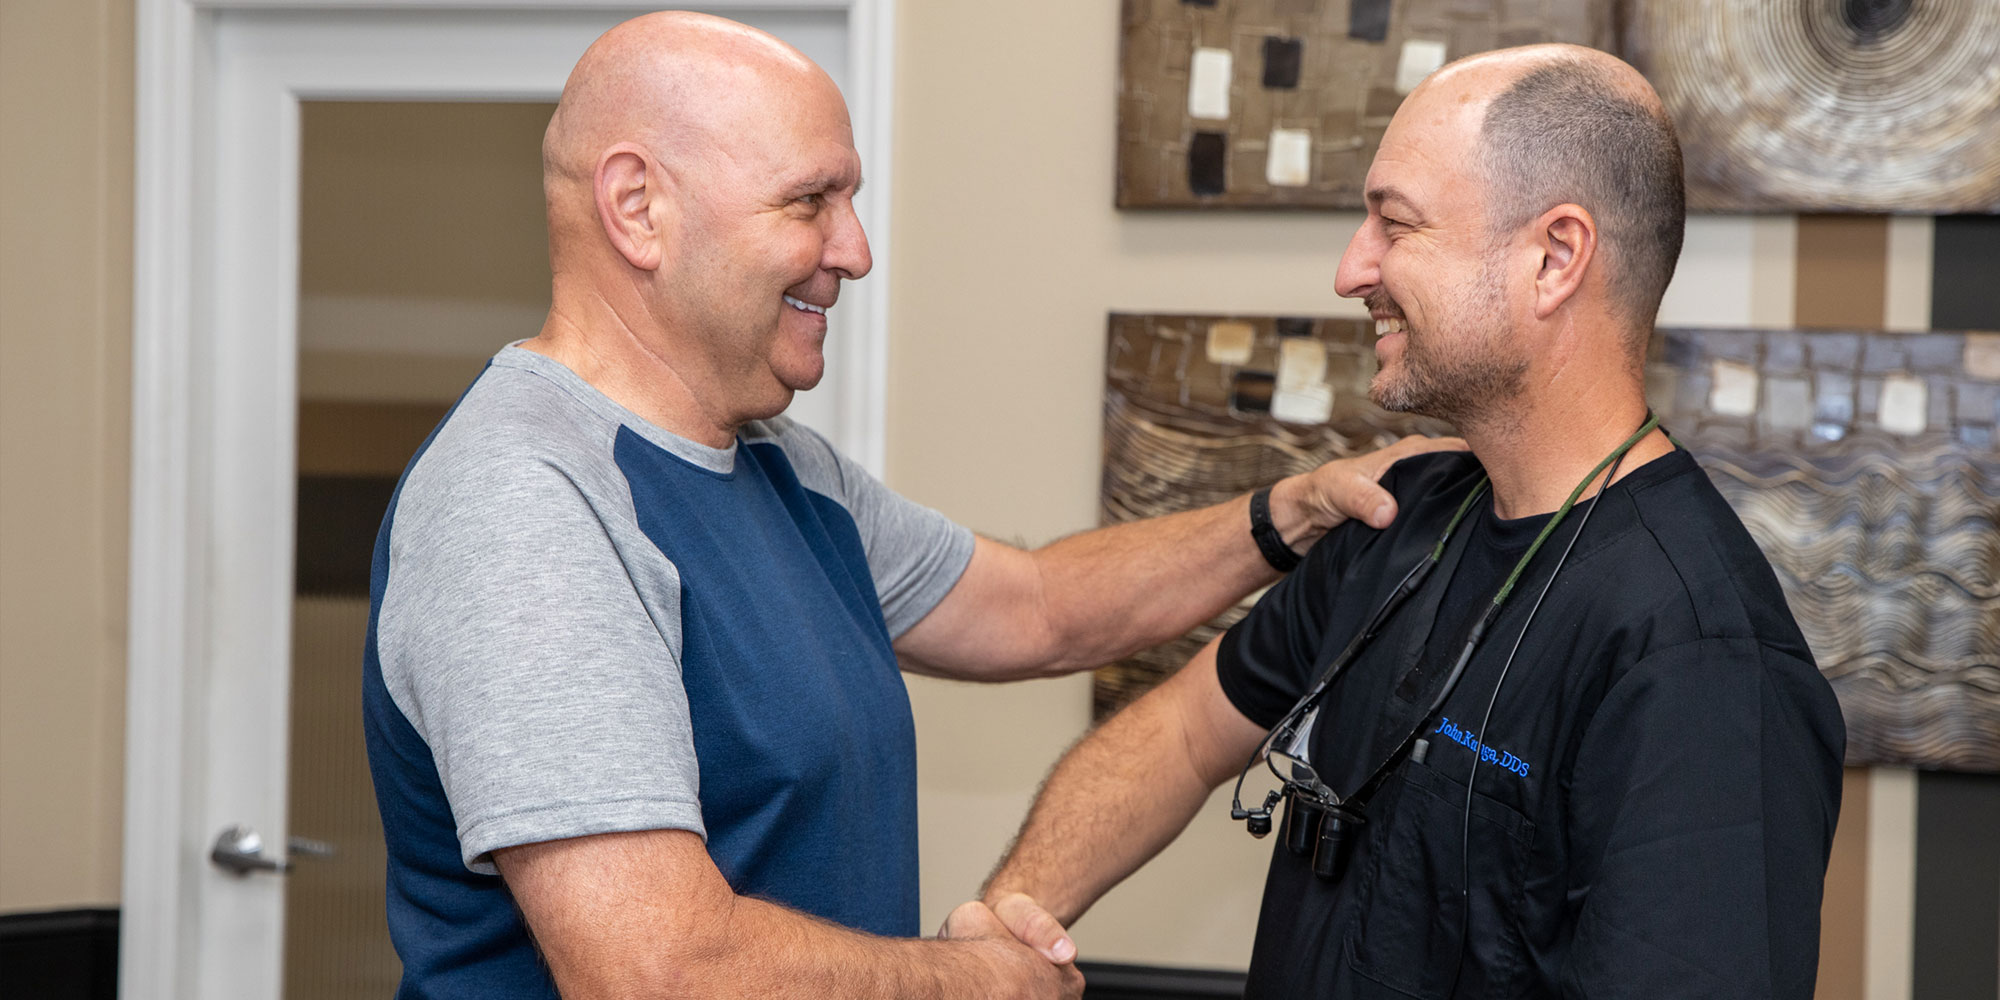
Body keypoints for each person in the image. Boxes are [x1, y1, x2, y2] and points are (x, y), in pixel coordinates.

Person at [361, 11, 1459, 999]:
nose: (854, 250)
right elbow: (655, 968)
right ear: (637, 208)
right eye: (809, 202)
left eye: (849, 201)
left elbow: (1036, 607)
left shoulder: (784, 469)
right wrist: (969, 982)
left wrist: (1288, 512)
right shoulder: (526, 500)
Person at [976, 44, 1846, 999]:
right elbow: (1183, 735)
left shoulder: (1701, 659)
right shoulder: (1400, 520)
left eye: (1395, 224)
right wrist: (1002, 926)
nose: (1352, 270)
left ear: (1555, 257)